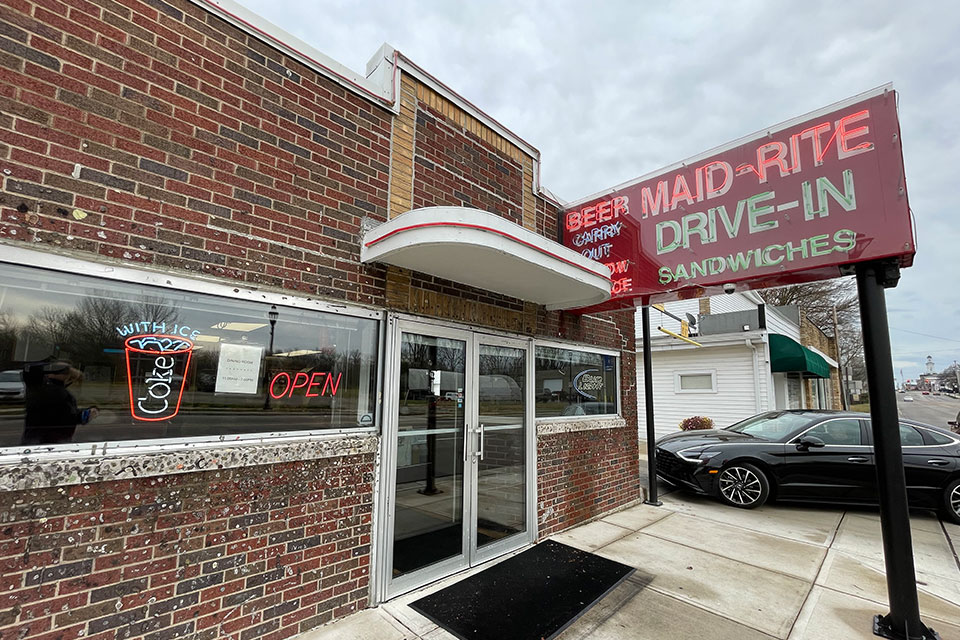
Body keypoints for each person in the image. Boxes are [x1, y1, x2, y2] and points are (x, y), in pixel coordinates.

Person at [22, 361, 98, 445]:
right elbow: (67, 417)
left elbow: (66, 416)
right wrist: (85, 414)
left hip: (44, 441)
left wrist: (84, 414)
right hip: (46, 443)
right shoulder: (48, 390)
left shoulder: (41, 387)